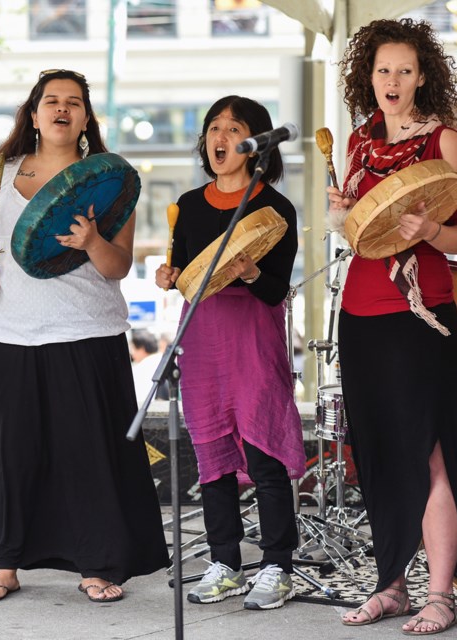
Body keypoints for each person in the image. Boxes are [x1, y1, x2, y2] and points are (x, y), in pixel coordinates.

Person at [0, 69, 169, 603]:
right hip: (10, 334)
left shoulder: (109, 179)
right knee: (15, 455)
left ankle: (97, 565)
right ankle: (7, 565)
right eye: (50, 101)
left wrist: (93, 238)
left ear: (85, 117)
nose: (61, 109)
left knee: (88, 456)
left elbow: (118, 267)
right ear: (33, 115)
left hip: (86, 333)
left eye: (72, 102)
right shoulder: (1, 175)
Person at [327, 19, 457, 634]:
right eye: (383, 69)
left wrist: (432, 234)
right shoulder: (358, 142)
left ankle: (440, 595)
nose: (392, 80)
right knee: (378, 454)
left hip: (420, 317)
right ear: (368, 75)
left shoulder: (443, 141)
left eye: (405, 70)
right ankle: (390, 585)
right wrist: (341, 214)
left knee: (429, 452)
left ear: (424, 77)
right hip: (359, 312)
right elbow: (362, 234)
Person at [155, 96, 305, 611]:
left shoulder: (275, 210)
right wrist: (169, 276)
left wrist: (250, 272)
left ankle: (277, 566)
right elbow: (186, 279)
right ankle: (224, 561)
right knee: (212, 458)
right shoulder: (189, 205)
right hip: (202, 339)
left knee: (263, 455)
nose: (219, 137)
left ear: (254, 143)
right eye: (213, 128)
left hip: (252, 339)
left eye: (233, 129)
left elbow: (276, 291)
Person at [129, 328, 162, 403]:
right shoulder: (163, 360)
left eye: (133, 348)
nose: (132, 353)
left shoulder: (140, 369)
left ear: (141, 349)